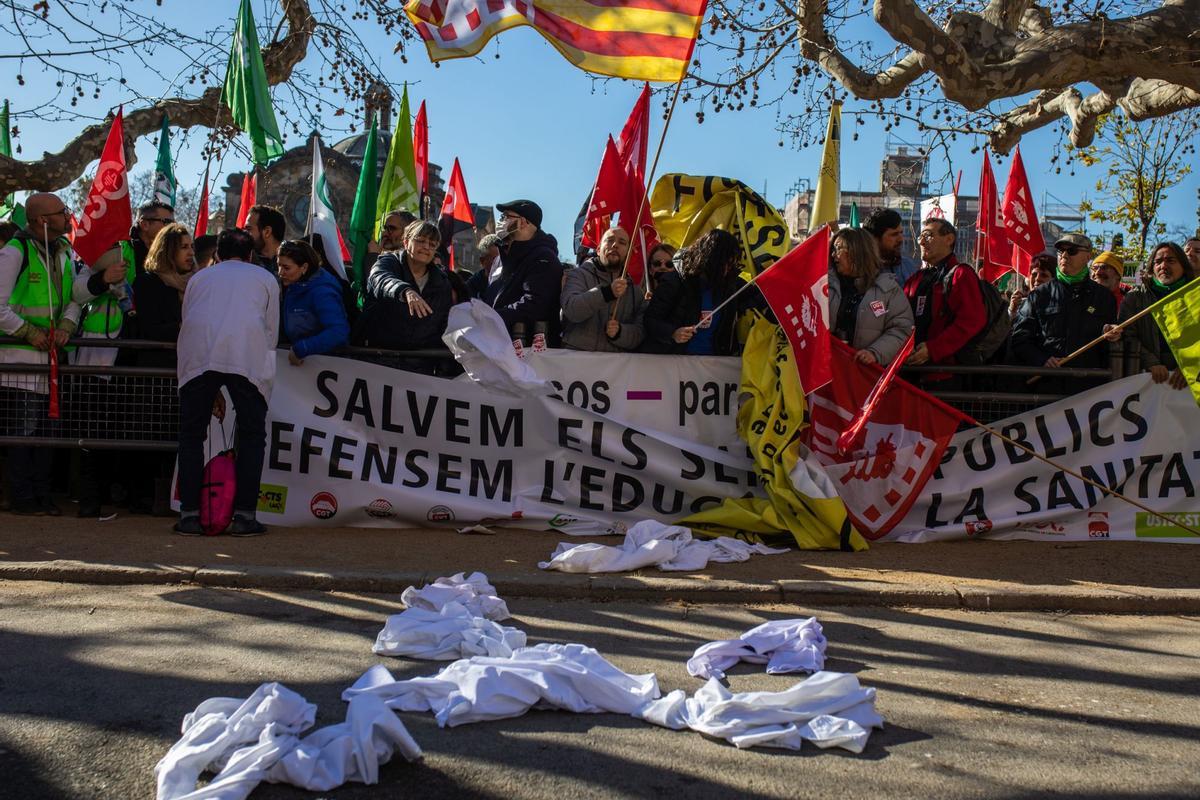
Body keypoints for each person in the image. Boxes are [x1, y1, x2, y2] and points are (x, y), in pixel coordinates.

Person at [174, 228, 279, 537]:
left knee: (192, 435)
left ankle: (190, 514)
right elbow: (272, 330)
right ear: (250, 255)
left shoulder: (199, 278)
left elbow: (187, 317)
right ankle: (245, 515)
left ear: (217, 253)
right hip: (247, 356)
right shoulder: (265, 279)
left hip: (199, 354)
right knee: (252, 436)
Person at [0, 193, 83, 515]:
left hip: (51, 361)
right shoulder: (13, 253)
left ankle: (43, 495)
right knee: (22, 435)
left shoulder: (64, 253)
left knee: (48, 435)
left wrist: (66, 323)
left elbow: (75, 298)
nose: (68, 216)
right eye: (62, 212)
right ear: (42, 221)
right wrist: (28, 331)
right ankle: (23, 498)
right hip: (18, 363)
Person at [1009, 233, 1116, 392]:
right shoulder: (1039, 295)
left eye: (1071, 251)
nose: (1064, 255)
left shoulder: (1104, 298)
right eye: (1060, 251)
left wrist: (1113, 334)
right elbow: (1019, 337)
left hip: (1089, 390)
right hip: (1047, 388)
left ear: (1088, 256)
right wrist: (1041, 359)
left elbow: (1113, 345)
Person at [642, 229, 758, 355]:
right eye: (724, 263)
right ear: (709, 259)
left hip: (715, 366)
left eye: (731, 263)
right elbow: (650, 320)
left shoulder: (732, 283)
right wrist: (673, 333)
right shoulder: (674, 282)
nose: (727, 269)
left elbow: (761, 297)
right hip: (674, 363)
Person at [360, 220, 455, 372]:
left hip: (419, 369)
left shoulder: (442, 283)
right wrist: (405, 291)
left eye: (432, 244)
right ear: (405, 241)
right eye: (421, 241)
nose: (426, 247)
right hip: (378, 362)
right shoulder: (387, 263)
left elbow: (443, 325)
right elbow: (380, 278)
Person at [903, 217, 987, 385]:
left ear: (949, 239)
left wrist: (933, 349)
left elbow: (972, 320)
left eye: (928, 235)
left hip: (947, 376)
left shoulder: (961, 275)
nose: (921, 242)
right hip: (912, 372)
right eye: (921, 237)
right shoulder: (916, 278)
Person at [1110, 242, 1195, 390]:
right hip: (1146, 380)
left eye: (1170, 260)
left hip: (1191, 381)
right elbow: (1128, 335)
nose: (1163, 266)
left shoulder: (1196, 296)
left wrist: (1190, 366)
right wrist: (1151, 362)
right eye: (1158, 262)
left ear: (1183, 266)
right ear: (1151, 267)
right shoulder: (1135, 297)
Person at [481, 200, 563, 344]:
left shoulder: (543, 258)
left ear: (523, 222)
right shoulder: (501, 258)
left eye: (506, 217)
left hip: (528, 348)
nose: (501, 222)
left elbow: (536, 304)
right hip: (496, 342)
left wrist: (494, 317)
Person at [828, 228, 914, 366]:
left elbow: (902, 330)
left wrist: (874, 353)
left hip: (864, 374)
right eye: (833, 249)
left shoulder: (888, 289)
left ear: (857, 251)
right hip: (828, 371)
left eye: (838, 248)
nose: (833, 255)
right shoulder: (825, 286)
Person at [561, 227, 645, 352]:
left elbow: (641, 333)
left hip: (616, 367)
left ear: (629, 254)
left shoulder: (635, 292)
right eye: (610, 240)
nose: (615, 245)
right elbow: (571, 310)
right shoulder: (578, 275)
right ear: (599, 249)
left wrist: (620, 332)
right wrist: (606, 293)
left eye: (622, 242)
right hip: (577, 360)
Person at [277, 239, 350, 364]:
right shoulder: (294, 284)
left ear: (304, 267)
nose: (280, 273)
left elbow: (338, 332)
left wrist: (303, 348)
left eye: (286, 268)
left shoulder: (322, 292)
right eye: (278, 265)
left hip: (324, 366)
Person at [863, 208, 918, 286]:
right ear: (874, 239)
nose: (901, 239)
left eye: (901, 232)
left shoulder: (908, 266)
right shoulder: (861, 269)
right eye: (894, 234)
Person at [124, 201, 175, 277]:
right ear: (145, 225)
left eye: (174, 223)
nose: (173, 227)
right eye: (167, 222)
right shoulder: (123, 250)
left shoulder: (170, 254)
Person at [245, 204, 286, 273]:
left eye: (249, 229)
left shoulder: (296, 264)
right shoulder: (245, 263)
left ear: (267, 232)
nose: (245, 233)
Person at [466, 233, 503, 298]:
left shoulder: (509, 280)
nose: (499, 262)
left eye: (501, 258)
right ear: (482, 261)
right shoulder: (473, 285)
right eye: (495, 259)